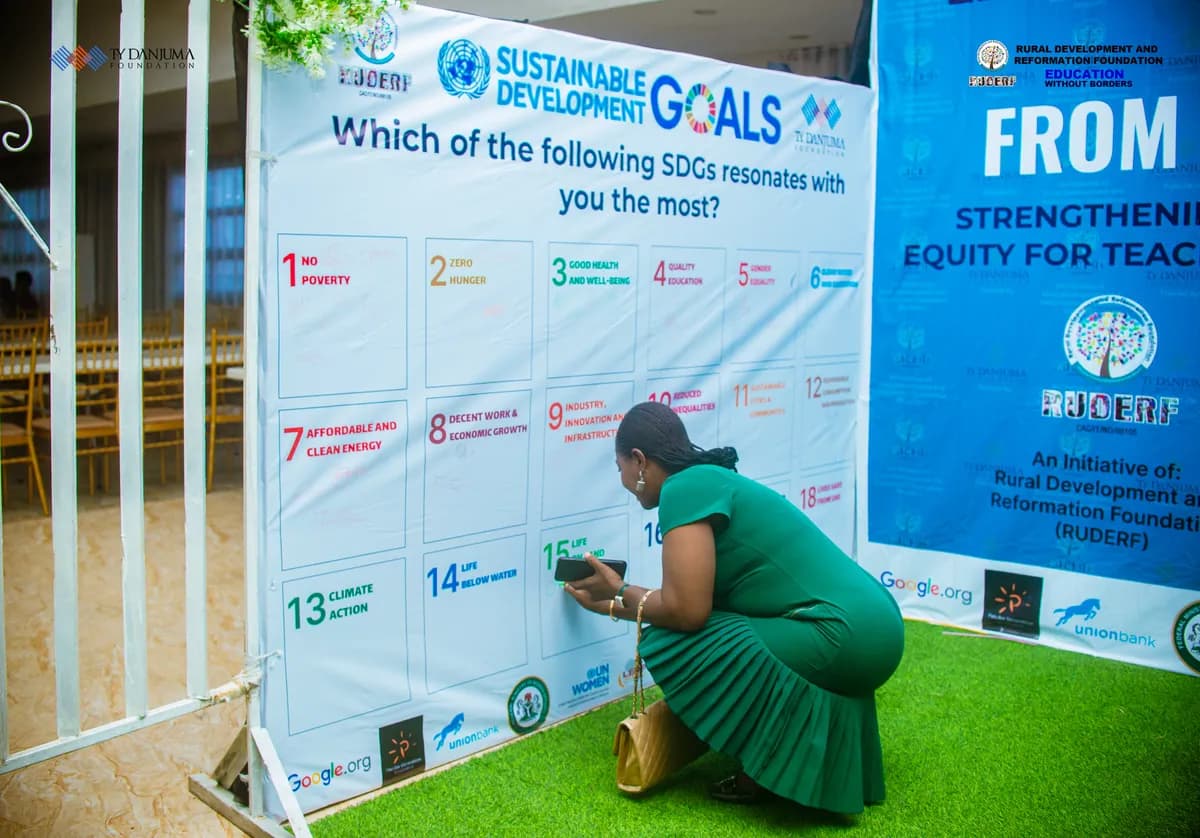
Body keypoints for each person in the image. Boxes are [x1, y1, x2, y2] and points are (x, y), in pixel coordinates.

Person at [564, 401, 905, 814]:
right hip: (876, 628)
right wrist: (616, 601)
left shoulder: (684, 488)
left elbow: (687, 612)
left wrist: (618, 592)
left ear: (639, 461)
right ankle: (784, 767)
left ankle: (764, 770)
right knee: (719, 627)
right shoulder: (711, 481)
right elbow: (694, 600)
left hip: (843, 633)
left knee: (676, 638)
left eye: (619, 467)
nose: (621, 479)